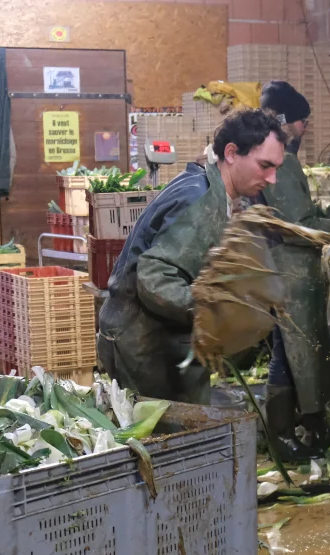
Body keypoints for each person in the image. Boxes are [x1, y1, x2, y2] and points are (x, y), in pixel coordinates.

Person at [98, 108, 287, 406]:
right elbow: (155, 276)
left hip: (150, 338)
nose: (272, 179)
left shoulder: (207, 185)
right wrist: (214, 308)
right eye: (265, 165)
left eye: (276, 168)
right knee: (169, 432)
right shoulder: (202, 200)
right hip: (145, 345)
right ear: (232, 153)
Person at [259, 81, 330, 459]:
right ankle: (283, 435)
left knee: (291, 350)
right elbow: (298, 224)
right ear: (284, 121)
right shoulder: (279, 161)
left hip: (283, 268)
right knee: (290, 352)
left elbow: (301, 209)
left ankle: (295, 425)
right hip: (287, 270)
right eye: (302, 121)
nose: (304, 128)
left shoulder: (276, 159)